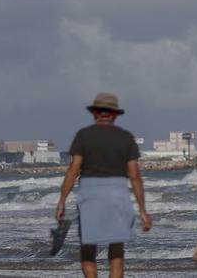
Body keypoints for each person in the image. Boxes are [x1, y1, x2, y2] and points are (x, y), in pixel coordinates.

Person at [55, 92, 153, 278]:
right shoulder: (126, 137)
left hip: (90, 194)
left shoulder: (83, 136)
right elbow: (135, 176)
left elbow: (73, 170)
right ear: (115, 114)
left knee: (88, 248)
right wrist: (142, 210)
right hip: (117, 193)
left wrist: (61, 202)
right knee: (116, 250)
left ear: (95, 113)